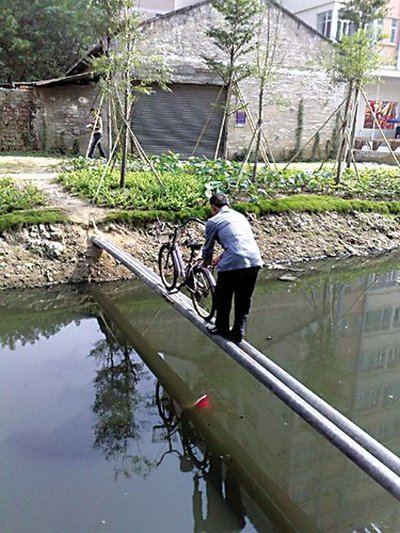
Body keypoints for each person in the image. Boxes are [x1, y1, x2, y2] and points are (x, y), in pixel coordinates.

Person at [202, 193, 262, 343]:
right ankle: (238, 333)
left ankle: (221, 328)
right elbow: (238, 242)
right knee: (244, 299)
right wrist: (221, 257)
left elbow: (208, 248)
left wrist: (206, 264)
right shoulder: (240, 217)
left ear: (214, 207)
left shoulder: (213, 221)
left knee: (223, 297)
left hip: (233, 265)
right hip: (254, 261)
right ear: (227, 204)